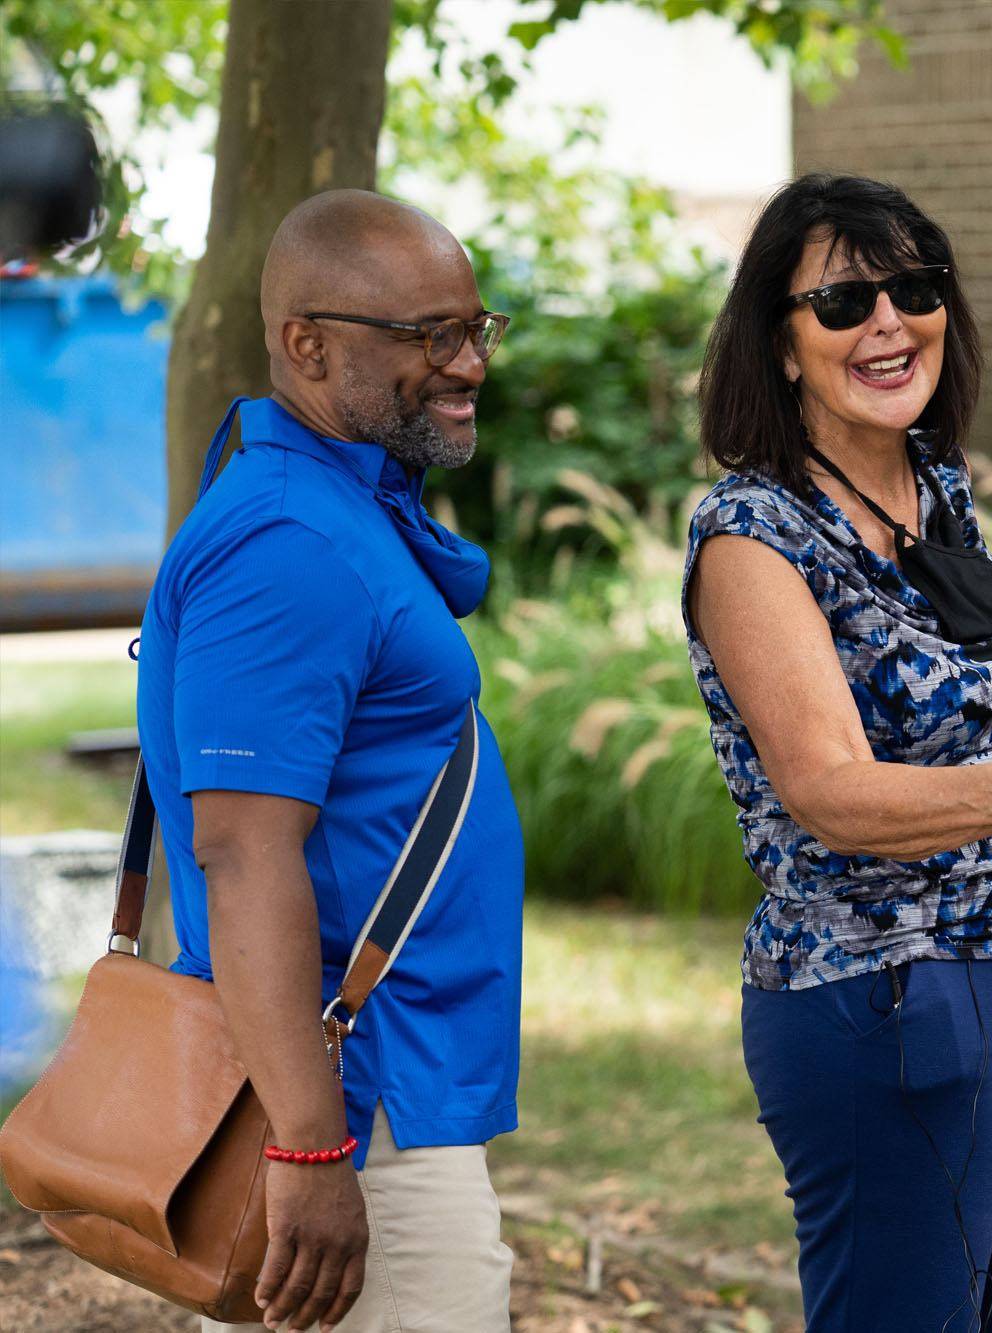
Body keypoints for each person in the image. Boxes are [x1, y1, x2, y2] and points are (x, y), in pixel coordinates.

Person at [682, 172, 992, 1333]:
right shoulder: (753, 534)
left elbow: (970, 734)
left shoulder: (935, 489)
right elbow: (829, 793)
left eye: (913, 286)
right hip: (881, 990)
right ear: (781, 344)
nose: (889, 321)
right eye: (843, 302)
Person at [136, 189, 522, 1332]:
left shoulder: (336, 503)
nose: (467, 365)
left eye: (473, 328)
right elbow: (243, 852)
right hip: (351, 1106)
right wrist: (310, 1145)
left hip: (374, 1092)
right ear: (305, 343)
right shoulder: (288, 542)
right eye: (424, 336)